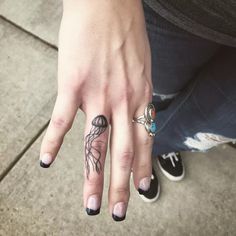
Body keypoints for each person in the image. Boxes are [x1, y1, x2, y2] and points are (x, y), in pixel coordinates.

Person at [39, 0, 236, 221]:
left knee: (206, 122)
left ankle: (156, 147)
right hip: (184, 13)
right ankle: (146, 148)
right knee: (152, 98)